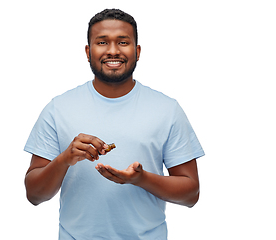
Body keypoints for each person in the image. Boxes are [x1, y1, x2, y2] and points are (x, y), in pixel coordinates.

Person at [24, 8, 205, 240]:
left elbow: (191, 194)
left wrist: (141, 179)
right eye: (102, 42)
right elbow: (34, 195)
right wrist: (64, 159)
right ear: (88, 51)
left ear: (137, 51)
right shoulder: (58, 108)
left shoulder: (167, 109)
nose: (112, 51)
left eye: (123, 42)